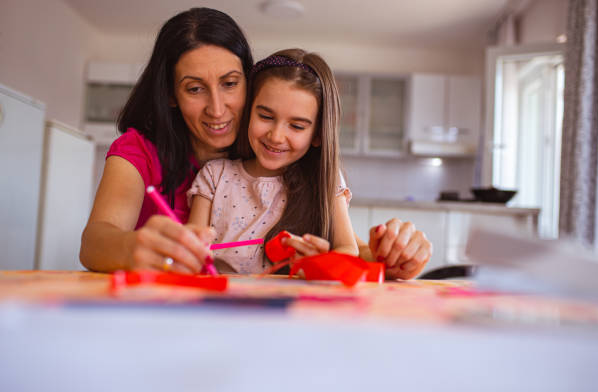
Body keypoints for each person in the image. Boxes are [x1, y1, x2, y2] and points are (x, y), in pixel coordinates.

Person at [79, 7, 431, 279]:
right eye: (194, 88)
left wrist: (397, 256)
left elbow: (340, 245)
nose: (217, 109)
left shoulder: (266, 156)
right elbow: (95, 241)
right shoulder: (140, 150)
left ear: (250, 82)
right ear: (171, 94)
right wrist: (134, 247)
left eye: (230, 83)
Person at [187, 49, 357, 274]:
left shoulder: (325, 179)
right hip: (222, 305)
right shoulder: (214, 176)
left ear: (317, 134)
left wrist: (321, 263)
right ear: (249, 112)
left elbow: (349, 250)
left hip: (293, 305)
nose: (276, 136)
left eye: (297, 126)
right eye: (266, 117)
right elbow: (189, 252)